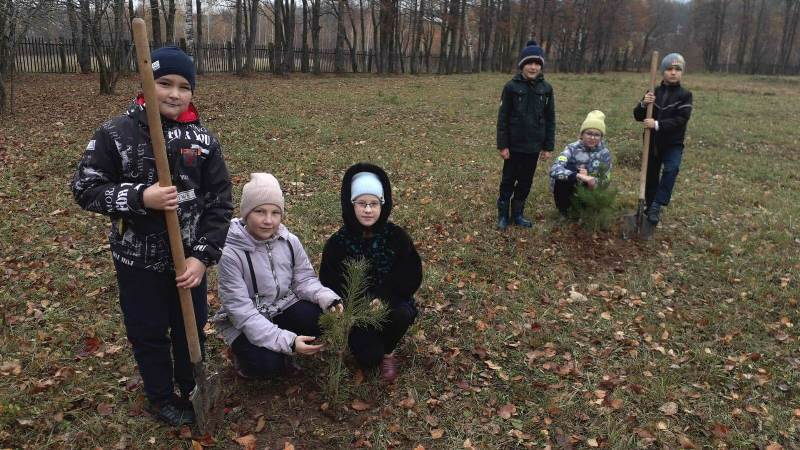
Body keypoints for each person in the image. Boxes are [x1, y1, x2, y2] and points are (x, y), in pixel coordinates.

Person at [71, 46, 234, 426]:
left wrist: (201, 256)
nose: (174, 94)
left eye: (183, 86)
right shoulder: (116, 134)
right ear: (146, 83)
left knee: (189, 328)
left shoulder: (203, 141)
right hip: (137, 262)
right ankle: (161, 397)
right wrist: (140, 196)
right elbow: (85, 188)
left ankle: (190, 384)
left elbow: (221, 202)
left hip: (188, 263)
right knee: (148, 332)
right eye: (164, 83)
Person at [213, 173, 343, 379]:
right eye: (259, 212)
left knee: (320, 319)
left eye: (275, 213)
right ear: (246, 213)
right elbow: (243, 313)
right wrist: (288, 342)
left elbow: (304, 280)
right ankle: (248, 357)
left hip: (281, 305)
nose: (268, 220)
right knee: (266, 366)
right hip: (247, 319)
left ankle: (279, 345)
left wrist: (327, 298)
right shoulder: (231, 253)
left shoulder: (289, 241)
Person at [319, 163, 422, 382]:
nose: (368, 210)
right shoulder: (338, 243)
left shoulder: (396, 237)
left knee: (403, 313)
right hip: (356, 311)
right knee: (368, 358)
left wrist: (384, 297)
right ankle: (370, 347)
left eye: (374, 204)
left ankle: (389, 352)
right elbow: (329, 281)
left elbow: (411, 274)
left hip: (389, 304)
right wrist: (351, 305)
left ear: (382, 205)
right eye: (362, 203)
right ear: (351, 205)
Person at [495, 40, 556, 230]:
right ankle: (503, 215)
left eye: (537, 63)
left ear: (541, 66)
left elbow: (550, 118)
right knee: (508, 180)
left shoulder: (546, 89)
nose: (533, 67)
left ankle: (518, 214)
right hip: (513, 146)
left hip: (533, 147)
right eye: (529, 63)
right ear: (522, 65)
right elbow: (502, 118)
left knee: (525, 181)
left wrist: (547, 146)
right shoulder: (511, 87)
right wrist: (503, 145)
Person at [633, 52, 693, 225]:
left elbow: (681, 119)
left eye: (677, 69)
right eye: (669, 69)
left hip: (673, 143)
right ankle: (649, 208)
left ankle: (657, 204)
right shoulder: (653, 92)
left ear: (681, 73)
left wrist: (657, 124)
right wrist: (644, 103)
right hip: (652, 142)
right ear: (663, 72)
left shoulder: (685, 95)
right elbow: (637, 116)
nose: (673, 72)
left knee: (671, 169)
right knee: (651, 176)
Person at [549, 110, 613, 215]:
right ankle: (564, 211)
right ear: (581, 134)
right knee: (569, 169)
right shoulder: (571, 148)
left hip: (590, 193)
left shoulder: (604, 154)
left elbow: (606, 180)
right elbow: (554, 169)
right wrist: (578, 175)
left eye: (597, 135)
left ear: (601, 137)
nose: (592, 138)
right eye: (589, 133)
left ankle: (587, 212)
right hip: (570, 190)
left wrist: (592, 181)